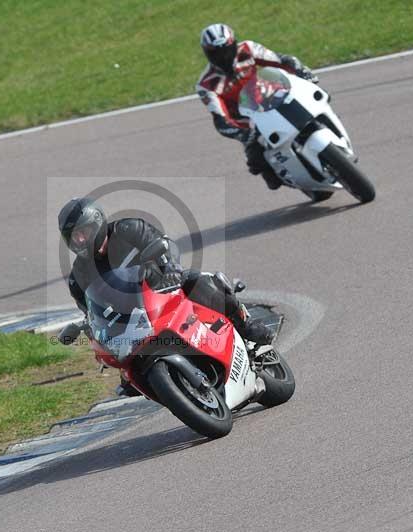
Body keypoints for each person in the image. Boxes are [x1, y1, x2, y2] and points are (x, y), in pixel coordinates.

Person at [58, 197, 275, 348]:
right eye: (73, 237)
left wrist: (170, 269)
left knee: (198, 280)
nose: (79, 240)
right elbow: (90, 313)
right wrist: (90, 330)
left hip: (163, 286)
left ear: (96, 222)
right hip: (133, 320)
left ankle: (245, 325)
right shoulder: (79, 275)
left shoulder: (128, 229)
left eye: (82, 233)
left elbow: (164, 244)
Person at [195, 23, 318, 190]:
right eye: (217, 54)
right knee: (257, 160)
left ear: (234, 44)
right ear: (207, 54)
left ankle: (325, 124)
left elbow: (282, 60)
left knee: (308, 102)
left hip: (270, 96)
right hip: (248, 120)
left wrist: (302, 72)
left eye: (226, 50)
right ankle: (273, 171)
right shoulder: (206, 84)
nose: (223, 57)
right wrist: (243, 134)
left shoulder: (248, 48)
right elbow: (220, 119)